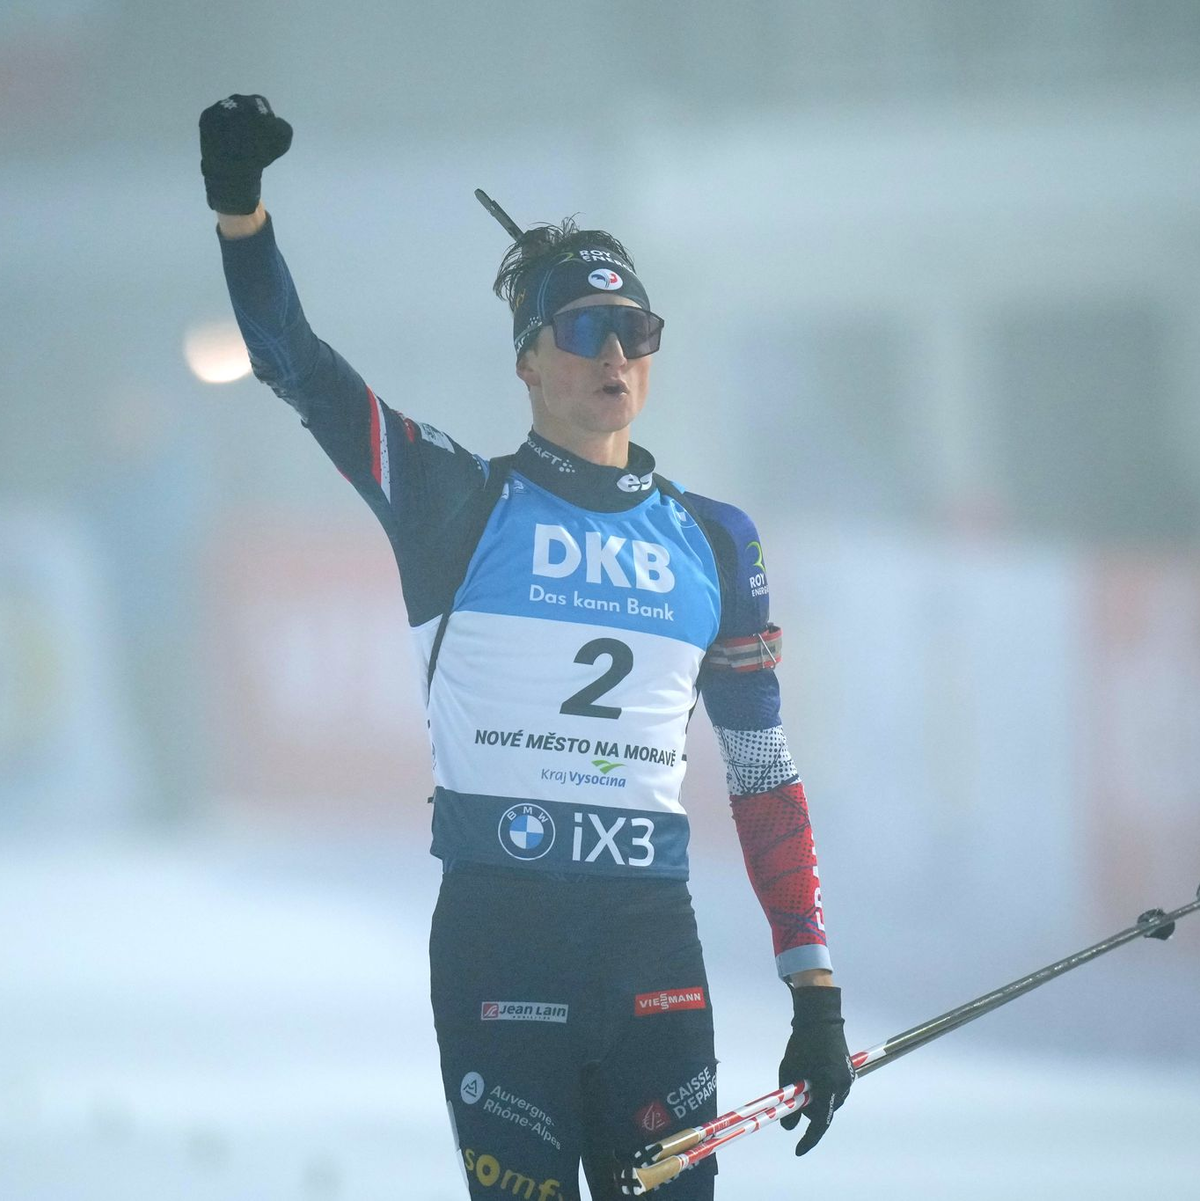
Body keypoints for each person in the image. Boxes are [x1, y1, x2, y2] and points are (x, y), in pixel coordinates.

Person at [199, 94, 853, 1200]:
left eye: (637, 331)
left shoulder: (713, 539)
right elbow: (296, 366)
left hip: (653, 948)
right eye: (587, 330)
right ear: (528, 361)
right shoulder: (454, 499)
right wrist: (239, 212)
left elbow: (762, 774)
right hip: (503, 939)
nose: (617, 354)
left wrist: (815, 988)